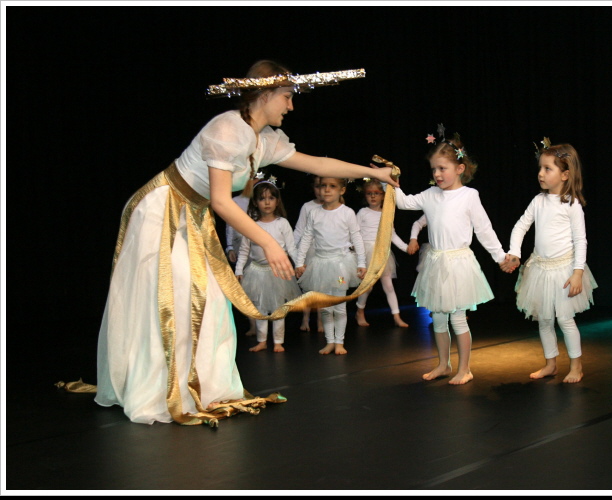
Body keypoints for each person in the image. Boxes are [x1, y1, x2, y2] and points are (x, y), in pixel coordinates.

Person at [94, 60, 398, 425]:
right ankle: (158, 387)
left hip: (191, 213)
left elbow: (319, 164)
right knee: (170, 299)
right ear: (265, 94)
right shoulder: (228, 129)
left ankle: (199, 385)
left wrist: (374, 173)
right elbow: (223, 202)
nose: (291, 106)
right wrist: (269, 243)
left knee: (208, 302)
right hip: (163, 210)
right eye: (286, 97)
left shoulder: (261, 139)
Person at [395, 130, 506, 385]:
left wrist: (500, 256)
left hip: (458, 264)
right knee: (438, 318)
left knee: (457, 318)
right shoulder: (430, 195)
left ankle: (464, 368)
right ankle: (443, 364)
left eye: (442, 168)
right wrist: (389, 182)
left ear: (459, 168)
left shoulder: (469, 195)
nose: (437, 174)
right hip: (436, 263)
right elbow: (403, 203)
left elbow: (484, 229)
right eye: (434, 169)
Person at [500, 139, 597, 384]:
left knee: (564, 319)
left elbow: (581, 240)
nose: (541, 174)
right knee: (544, 319)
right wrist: (514, 252)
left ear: (565, 174)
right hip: (540, 268)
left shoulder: (572, 204)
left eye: (547, 169)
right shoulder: (538, 201)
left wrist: (577, 272)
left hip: (564, 270)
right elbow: (521, 226)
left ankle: (576, 365)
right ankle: (550, 364)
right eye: (540, 168)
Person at [295, 177, 366, 355]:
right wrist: (299, 262)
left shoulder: (347, 213)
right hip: (320, 267)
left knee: (339, 305)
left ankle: (339, 342)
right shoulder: (314, 213)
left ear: (342, 190)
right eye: (323, 186)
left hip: (341, 267)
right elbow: (306, 237)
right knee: (326, 307)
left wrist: (361, 263)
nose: (326, 190)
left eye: (332, 186)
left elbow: (356, 237)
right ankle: (330, 341)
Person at [235, 178, 301, 353]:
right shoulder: (251, 225)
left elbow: (291, 248)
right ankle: (262, 340)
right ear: (255, 202)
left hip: (278, 272)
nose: (267, 202)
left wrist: (298, 264)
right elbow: (244, 250)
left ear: (277, 201)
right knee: (260, 309)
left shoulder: (282, 223)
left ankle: (278, 341)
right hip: (257, 272)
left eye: (271, 198)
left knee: (279, 308)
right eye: (262, 198)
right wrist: (239, 269)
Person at [354, 179, 411, 328]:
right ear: (365, 196)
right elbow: (355, 233)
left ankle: (396, 316)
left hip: (382, 253)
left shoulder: (387, 214)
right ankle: (360, 311)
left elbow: (392, 235)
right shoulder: (363, 212)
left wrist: (406, 248)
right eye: (369, 193)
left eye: (376, 193)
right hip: (366, 253)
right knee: (368, 286)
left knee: (389, 286)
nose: (373, 196)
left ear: (383, 195)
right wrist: (353, 250)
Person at [224, 185, 257, 336]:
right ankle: (253, 324)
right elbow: (230, 224)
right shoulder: (235, 201)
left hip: (258, 246)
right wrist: (230, 247)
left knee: (261, 285)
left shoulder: (260, 199)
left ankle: (264, 324)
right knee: (246, 286)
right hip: (241, 245)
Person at [293, 175, 325, 333]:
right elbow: (299, 230)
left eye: (324, 186)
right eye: (318, 187)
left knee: (323, 287)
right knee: (308, 287)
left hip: (326, 252)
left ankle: (320, 320)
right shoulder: (307, 207)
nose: (321, 191)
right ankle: (305, 318)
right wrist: (291, 249)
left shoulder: (335, 206)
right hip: (310, 252)